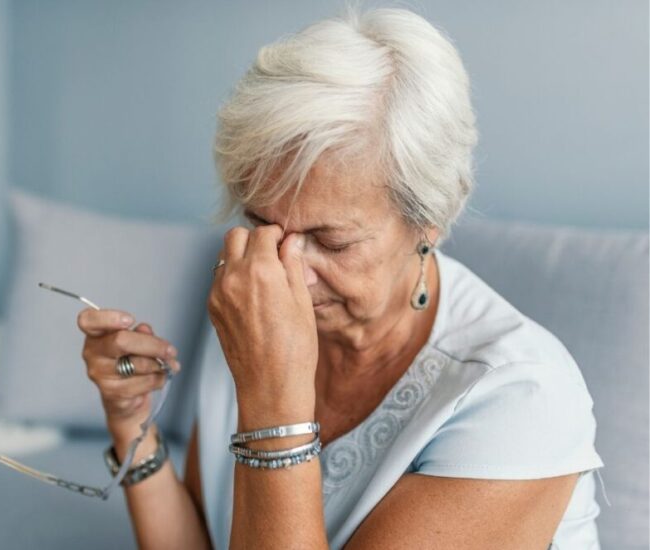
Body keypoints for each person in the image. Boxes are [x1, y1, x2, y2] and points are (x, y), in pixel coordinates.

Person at [76, 7, 605, 549]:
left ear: (431, 221)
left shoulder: (521, 397)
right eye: (261, 223)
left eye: (331, 241)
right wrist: (130, 421)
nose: (287, 274)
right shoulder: (256, 297)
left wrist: (272, 397)